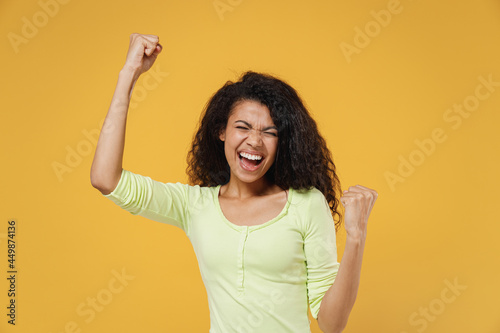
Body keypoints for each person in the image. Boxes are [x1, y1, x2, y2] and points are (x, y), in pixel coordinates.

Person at [90, 33, 378, 333]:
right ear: (221, 132)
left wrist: (356, 237)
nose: (254, 140)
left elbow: (332, 324)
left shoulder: (306, 204)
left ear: (284, 142)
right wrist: (128, 75)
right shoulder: (194, 206)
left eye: (270, 132)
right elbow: (105, 178)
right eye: (243, 127)